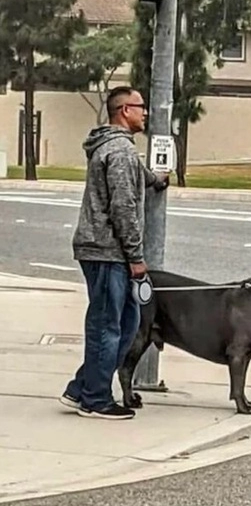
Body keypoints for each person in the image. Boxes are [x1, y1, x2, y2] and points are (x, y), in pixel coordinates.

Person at [60, 86, 169, 420]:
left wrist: (155, 179)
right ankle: (94, 399)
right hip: (108, 251)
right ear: (124, 111)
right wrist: (136, 258)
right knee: (109, 325)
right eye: (140, 106)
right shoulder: (120, 151)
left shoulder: (115, 148)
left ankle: (81, 387)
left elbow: (132, 179)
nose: (146, 112)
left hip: (106, 250)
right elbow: (123, 206)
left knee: (126, 321)